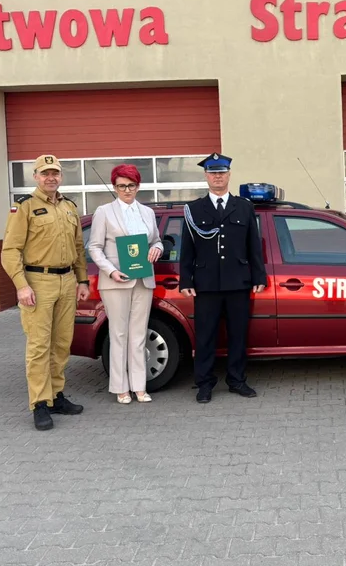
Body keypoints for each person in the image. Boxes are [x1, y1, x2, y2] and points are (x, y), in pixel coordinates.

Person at [1, 154, 91, 431]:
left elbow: (78, 248)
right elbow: (10, 250)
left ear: (60, 176)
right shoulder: (24, 207)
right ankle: (39, 403)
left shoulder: (69, 207)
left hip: (67, 281)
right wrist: (21, 285)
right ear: (36, 177)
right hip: (38, 282)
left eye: (55, 173)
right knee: (39, 346)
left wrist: (82, 280)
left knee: (62, 343)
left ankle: (55, 396)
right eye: (45, 173)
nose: (50, 178)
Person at [180, 153, 266, 404]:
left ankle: (237, 380)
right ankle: (204, 384)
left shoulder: (244, 207)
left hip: (238, 282)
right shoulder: (194, 209)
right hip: (206, 284)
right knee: (205, 336)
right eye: (213, 173)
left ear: (229, 175)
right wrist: (186, 280)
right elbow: (187, 248)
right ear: (206, 176)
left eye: (221, 172)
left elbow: (253, 245)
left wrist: (258, 276)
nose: (217, 177)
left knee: (238, 335)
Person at [87, 164, 164, 404]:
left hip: (143, 279)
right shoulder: (104, 212)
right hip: (115, 282)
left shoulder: (147, 212)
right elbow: (94, 247)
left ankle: (139, 387)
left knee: (139, 334)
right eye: (121, 186)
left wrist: (157, 249)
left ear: (138, 186)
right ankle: (120, 387)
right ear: (115, 187)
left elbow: (157, 241)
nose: (127, 190)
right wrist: (111, 271)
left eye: (131, 185)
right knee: (118, 334)